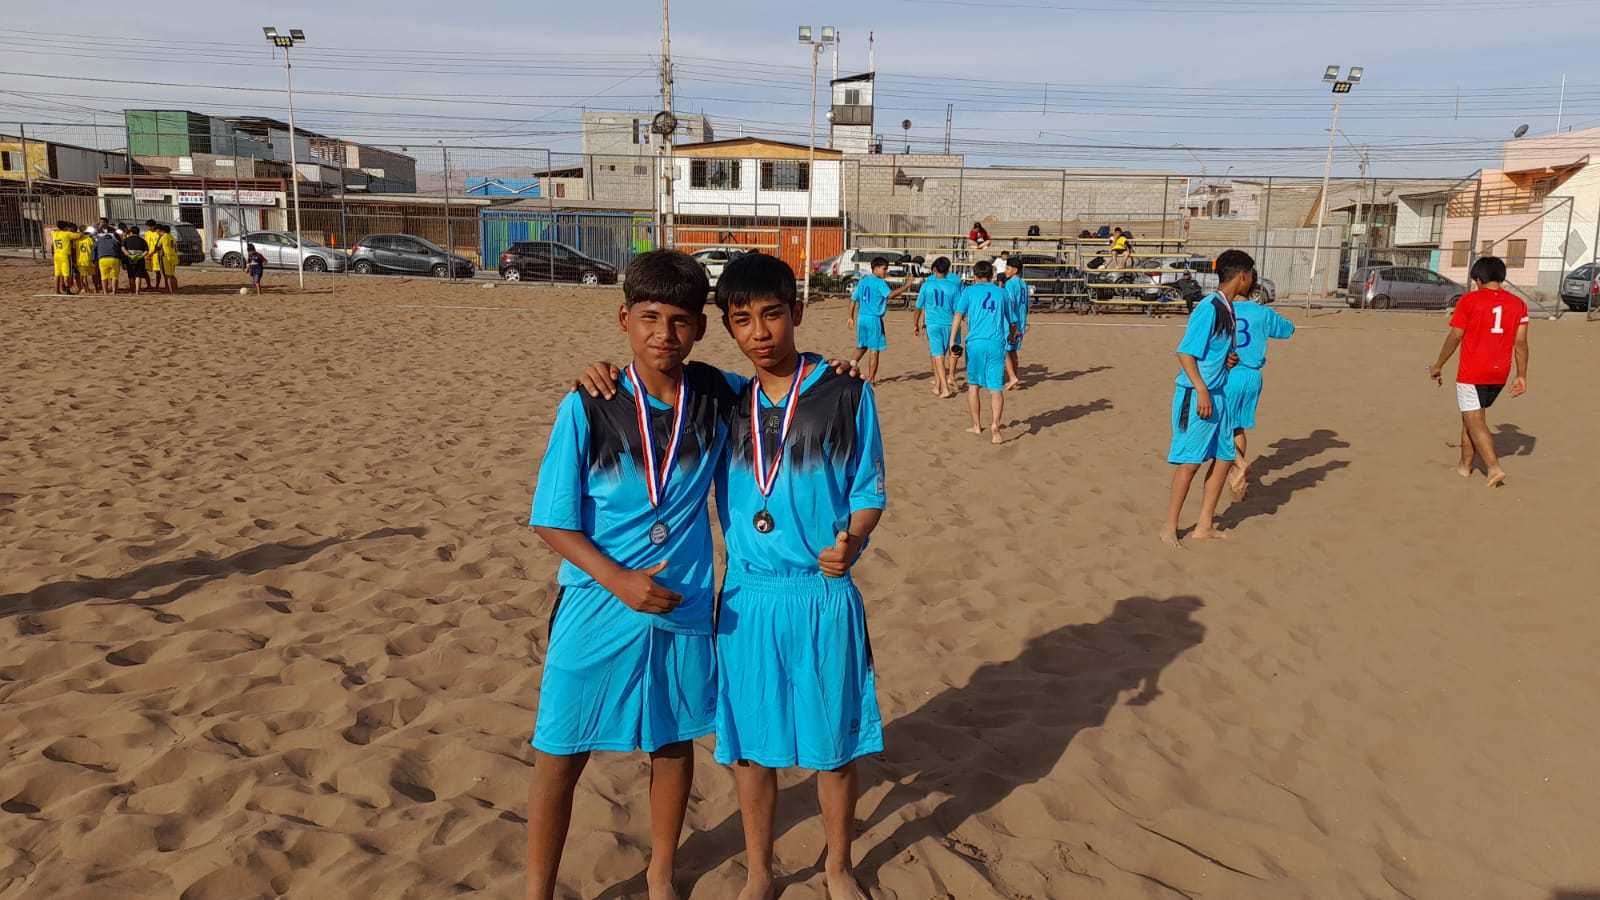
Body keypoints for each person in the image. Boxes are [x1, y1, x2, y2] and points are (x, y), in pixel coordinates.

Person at [524, 250, 731, 900]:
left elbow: (782, 385)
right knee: (560, 751)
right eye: (649, 317)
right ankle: (537, 891)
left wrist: (834, 371)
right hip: (597, 602)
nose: (663, 334)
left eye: (679, 321)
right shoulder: (589, 404)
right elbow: (551, 521)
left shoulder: (719, 396)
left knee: (673, 743)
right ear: (624, 319)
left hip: (681, 603)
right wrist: (619, 580)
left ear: (699, 328)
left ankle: (660, 874)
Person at [710, 252, 886, 900]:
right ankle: (760, 870)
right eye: (743, 320)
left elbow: (869, 489)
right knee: (751, 750)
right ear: (728, 328)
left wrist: (854, 538)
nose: (760, 332)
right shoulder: (724, 402)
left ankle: (838, 865)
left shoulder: (847, 392)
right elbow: (655, 380)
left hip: (821, 593)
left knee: (832, 747)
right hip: (747, 598)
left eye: (772, 314)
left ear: (798, 312)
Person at [1161, 248, 1253, 545]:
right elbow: (1185, 353)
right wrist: (1201, 389)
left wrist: (1226, 361)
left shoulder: (1228, 307)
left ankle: (1204, 525)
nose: (1252, 280)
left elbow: (1210, 351)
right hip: (1198, 395)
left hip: (1219, 394)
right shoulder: (1209, 307)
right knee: (1190, 463)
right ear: (1243, 276)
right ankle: (1169, 528)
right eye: (1251, 275)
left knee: (1225, 458)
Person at [1427, 255, 1529, 488]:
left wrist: (1438, 365)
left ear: (1479, 279)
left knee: (1474, 419)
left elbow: (1455, 336)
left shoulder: (1469, 301)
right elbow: (1521, 343)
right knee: (1470, 417)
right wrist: (1521, 375)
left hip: (1472, 372)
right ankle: (1464, 466)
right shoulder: (1518, 304)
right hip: (1500, 373)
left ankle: (1493, 468)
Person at [1224, 269, 1296, 497]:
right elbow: (1288, 329)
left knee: (1219, 426)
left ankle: (1238, 465)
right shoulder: (1262, 312)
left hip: (1229, 374)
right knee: (1238, 427)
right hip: (1253, 377)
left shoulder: (1223, 309)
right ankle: (1235, 476)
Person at [947, 260, 1015, 444]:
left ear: (975, 275)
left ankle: (976, 425)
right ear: (991, 275)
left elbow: (958, 316)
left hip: (975, 343)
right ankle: (995, 426)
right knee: (996, 388)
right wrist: (1012, 335)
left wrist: (952, 341)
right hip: (996, 343)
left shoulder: (969, 291)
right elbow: (1012, 321)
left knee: (973, 385)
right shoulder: (1001, 293)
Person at [848, 257, 908, 384]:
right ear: (875, 268)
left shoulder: (863, 281)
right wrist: (906, 286)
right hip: (873, 319)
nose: (886, 271)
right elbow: (891, 295)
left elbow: (853, 299)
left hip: (861, 318)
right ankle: (871, 379)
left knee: (862, 346)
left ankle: (850, 366)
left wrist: (851, 317)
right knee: (874, 350)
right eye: (884, 269)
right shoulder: (880, 282)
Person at [912, 256, 961, 398]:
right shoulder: (953, 286)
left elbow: (918, 307)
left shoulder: (927, 285)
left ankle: (944, 387)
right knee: (947, 353)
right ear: (947, 270)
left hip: (933, 324)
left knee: (938, 355)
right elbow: (958, 310)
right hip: (950, 324)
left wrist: (916, 323)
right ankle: (941, 383)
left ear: (934, 269)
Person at [1002, 257, 1031, 390]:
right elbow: (1026, 305)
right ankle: (1013, 379)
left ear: (1015, 270)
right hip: (1021, 321)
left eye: (1007, 268)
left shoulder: (1010, 284)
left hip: (1012, 322)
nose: (1005, 270)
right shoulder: (1023, 283)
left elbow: (1010, 304)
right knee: (1012, 351)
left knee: (1005, 350)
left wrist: (1011, 324)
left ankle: (1012, 377)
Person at [92, 224, 124, 295]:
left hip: (102, 259)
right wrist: (121, 260)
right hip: (114, 259)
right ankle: (114, 291)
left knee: (104, 276)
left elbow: (94, 250)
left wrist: (94, 260)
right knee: (114, 276)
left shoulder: (99, 241)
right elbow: (119, 250)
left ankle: (105, 292)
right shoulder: (115, 241)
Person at [50, 222, 78, 295]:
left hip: (56, 255)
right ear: (65, 227)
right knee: (66, 273)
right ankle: (67, 290)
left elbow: (52, 231)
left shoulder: (54, 233)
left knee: (57, 274)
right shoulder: (67, 234)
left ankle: (57, 291)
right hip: (65, 255)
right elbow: (78, 236)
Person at [122, 225, 149, 295]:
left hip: (129, 259)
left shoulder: (126, 240)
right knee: (138, 275)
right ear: (138, 232)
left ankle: (132, 290)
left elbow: (123, 248)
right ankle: (137, 291)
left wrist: (129, 255)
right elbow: (146, 251)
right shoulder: (143, 240)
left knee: (131, 275)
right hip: (140, 259)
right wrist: (140, 256)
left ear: (131, 232)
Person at [155, 224, 179, 293]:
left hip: (166, 257)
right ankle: (175, 288)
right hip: (174, 257)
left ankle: (170, 290)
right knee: (172, 275)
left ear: (163, 231)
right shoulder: (172, 237)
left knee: (168, 275)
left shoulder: (164, 237)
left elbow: (157, 246)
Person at [74, 224, 97, 294]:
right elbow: (94, 247)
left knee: (84, 276)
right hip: (89, 259)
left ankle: (86, 289)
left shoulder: (77, 240)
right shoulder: (89, 239)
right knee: (94, 275)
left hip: (81, 260)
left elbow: (74, 249)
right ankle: (96, 288)